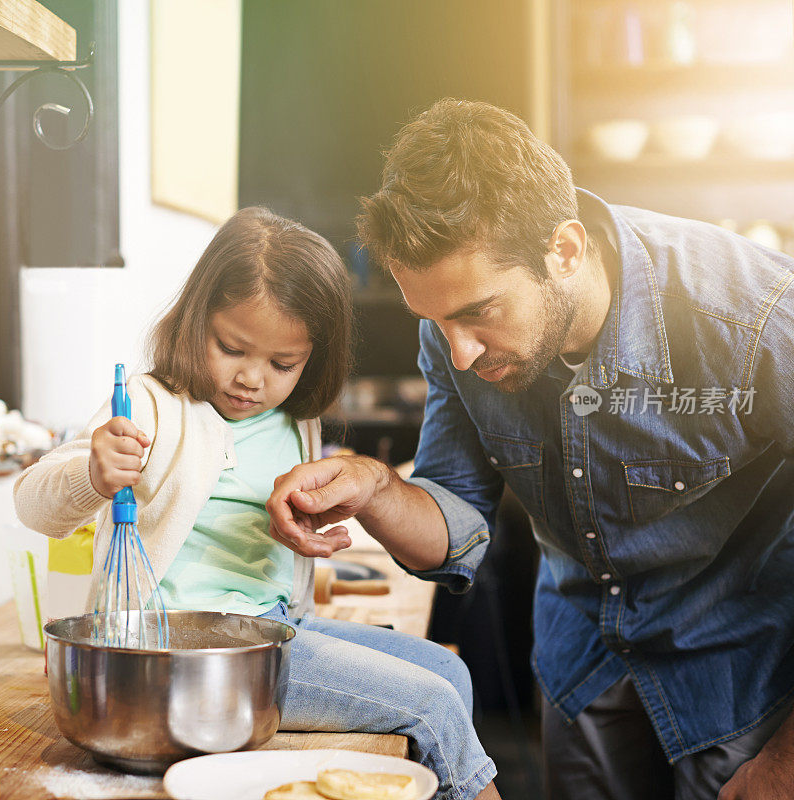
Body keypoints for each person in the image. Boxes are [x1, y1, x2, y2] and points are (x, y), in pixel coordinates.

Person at [266, 99, 794, 800]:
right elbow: (455, 524)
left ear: (565, 251)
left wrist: (785, 766)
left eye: (478, 313)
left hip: (741, 681)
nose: (459, 350)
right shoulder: (455, 334)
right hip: (585, 668)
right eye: (434, 320)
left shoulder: (753, 315)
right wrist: (376, 489)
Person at [13, 206, 499, 800]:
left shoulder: (294, 421)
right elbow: (34, 503)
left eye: (282, 364)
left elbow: (265, 541)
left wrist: (311, 533)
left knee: (450, 673)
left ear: (312, 359)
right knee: (431, 704)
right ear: (196, 320)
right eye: (232, 347)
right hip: (190, 656)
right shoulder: (152, 404)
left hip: (277, 630)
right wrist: (92, 472)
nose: (252, 379)